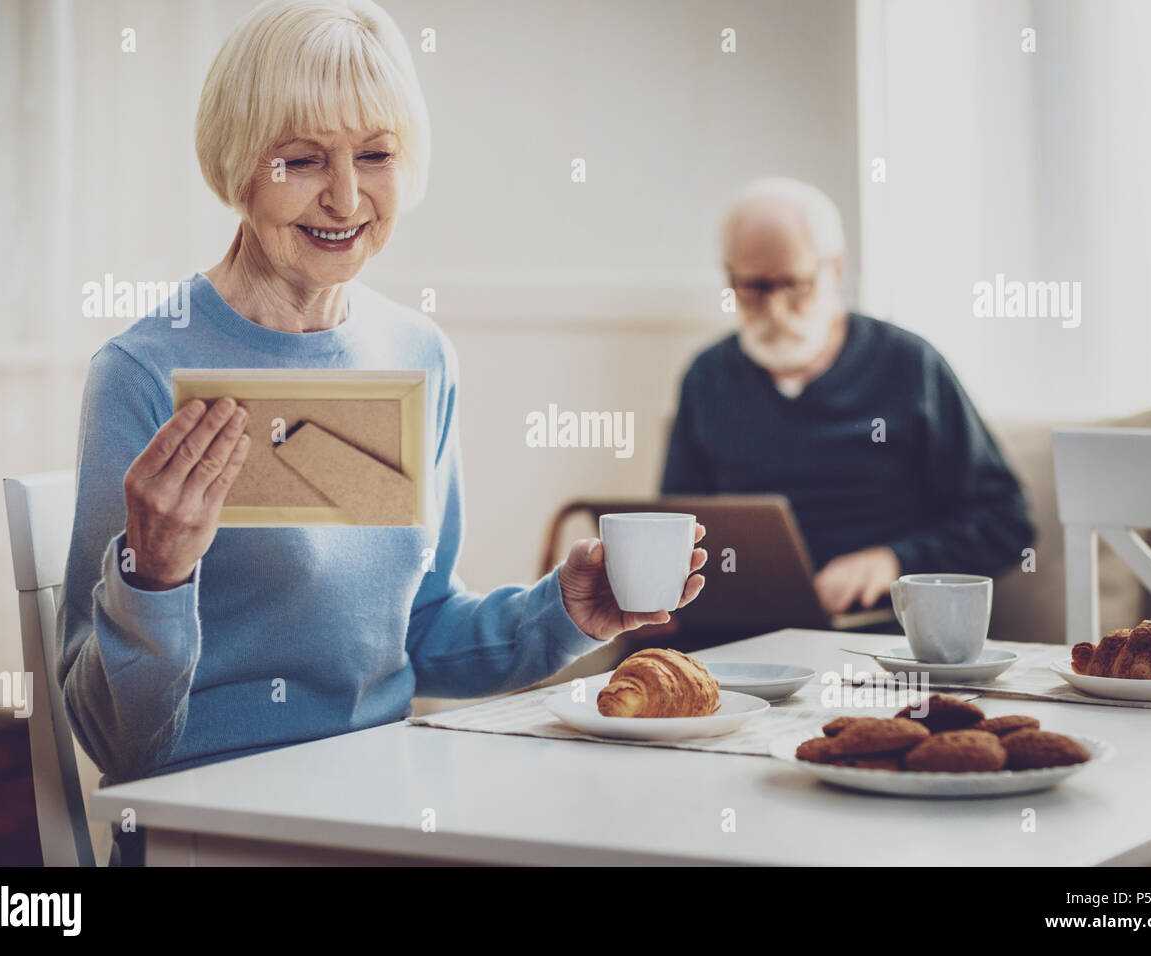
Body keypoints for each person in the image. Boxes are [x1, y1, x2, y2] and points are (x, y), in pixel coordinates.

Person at [58, 0, 707, 797]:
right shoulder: (141, 373)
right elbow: (116, 743)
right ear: (237, 164)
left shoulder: (420, 355)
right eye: (299, 160)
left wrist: (562, 615)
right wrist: (151, 579)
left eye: (375, 155)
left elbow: (421, 632)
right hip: (216, 814)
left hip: (385, 793)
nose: (343, 198)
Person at [661, 177, 1032, 618]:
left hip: (875, 637)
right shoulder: (708, 377)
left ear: (833, 271)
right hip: (738, 639)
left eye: (793, 286)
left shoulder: (909, 365)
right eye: (754, 288)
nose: (775, 311)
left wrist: (895, 561)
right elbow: (674, 525)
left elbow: (1007, 523)